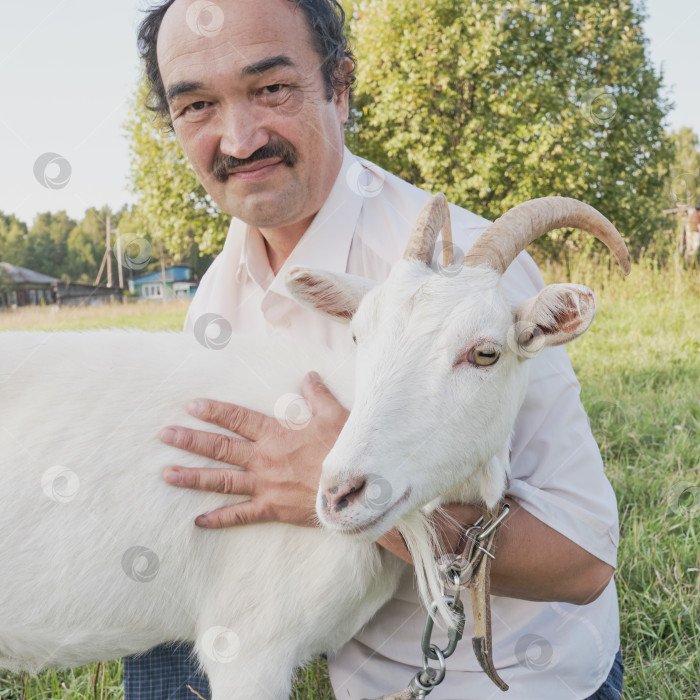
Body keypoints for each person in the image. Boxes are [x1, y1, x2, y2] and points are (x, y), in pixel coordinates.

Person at [125, 0, 624, 697]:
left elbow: (581, 565)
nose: (239, 138)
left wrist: (334, 490)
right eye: (198, 104)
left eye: (271, 89)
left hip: (507, 677)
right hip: (339, 658)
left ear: (339, 85)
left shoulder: (475, 287)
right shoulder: (217, 297)